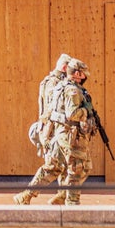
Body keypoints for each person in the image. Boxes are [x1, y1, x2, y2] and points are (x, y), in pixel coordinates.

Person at [15, 57, 96, 205]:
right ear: (77, 73)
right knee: (77, 169)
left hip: (60, 134)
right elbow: (71, 114)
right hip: (71, 135)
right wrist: (86, 111)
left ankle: (27, 195)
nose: (85, 77)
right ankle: (71, 202)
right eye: (84, 74)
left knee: (54, 167)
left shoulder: (61, 86)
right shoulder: (72, 90)